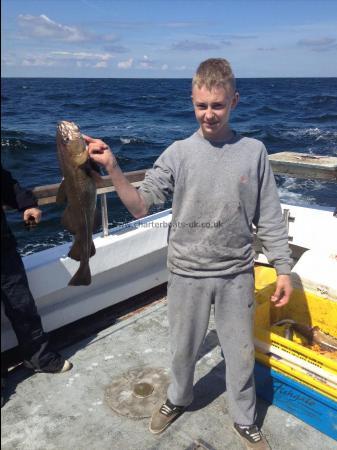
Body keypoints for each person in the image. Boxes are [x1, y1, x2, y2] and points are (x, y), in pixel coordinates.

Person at [85, 58, 293, 450]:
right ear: (192, 101)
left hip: (236, 273)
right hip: (185, 273)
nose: (209, 114)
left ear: (234, 100)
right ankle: (178, 398)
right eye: (202, 105)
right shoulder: (178, 153)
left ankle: (244, 418)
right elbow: (140, 205)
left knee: (241, 353)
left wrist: (283, 268)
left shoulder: (254, 151)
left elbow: (268, 213)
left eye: (218, 105)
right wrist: (112, 166)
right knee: (182, 350)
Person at [1, 164, 72, 407]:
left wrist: (27, 204)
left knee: (23, 307)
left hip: (3, 251)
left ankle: (39, 358)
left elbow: (6, 183)